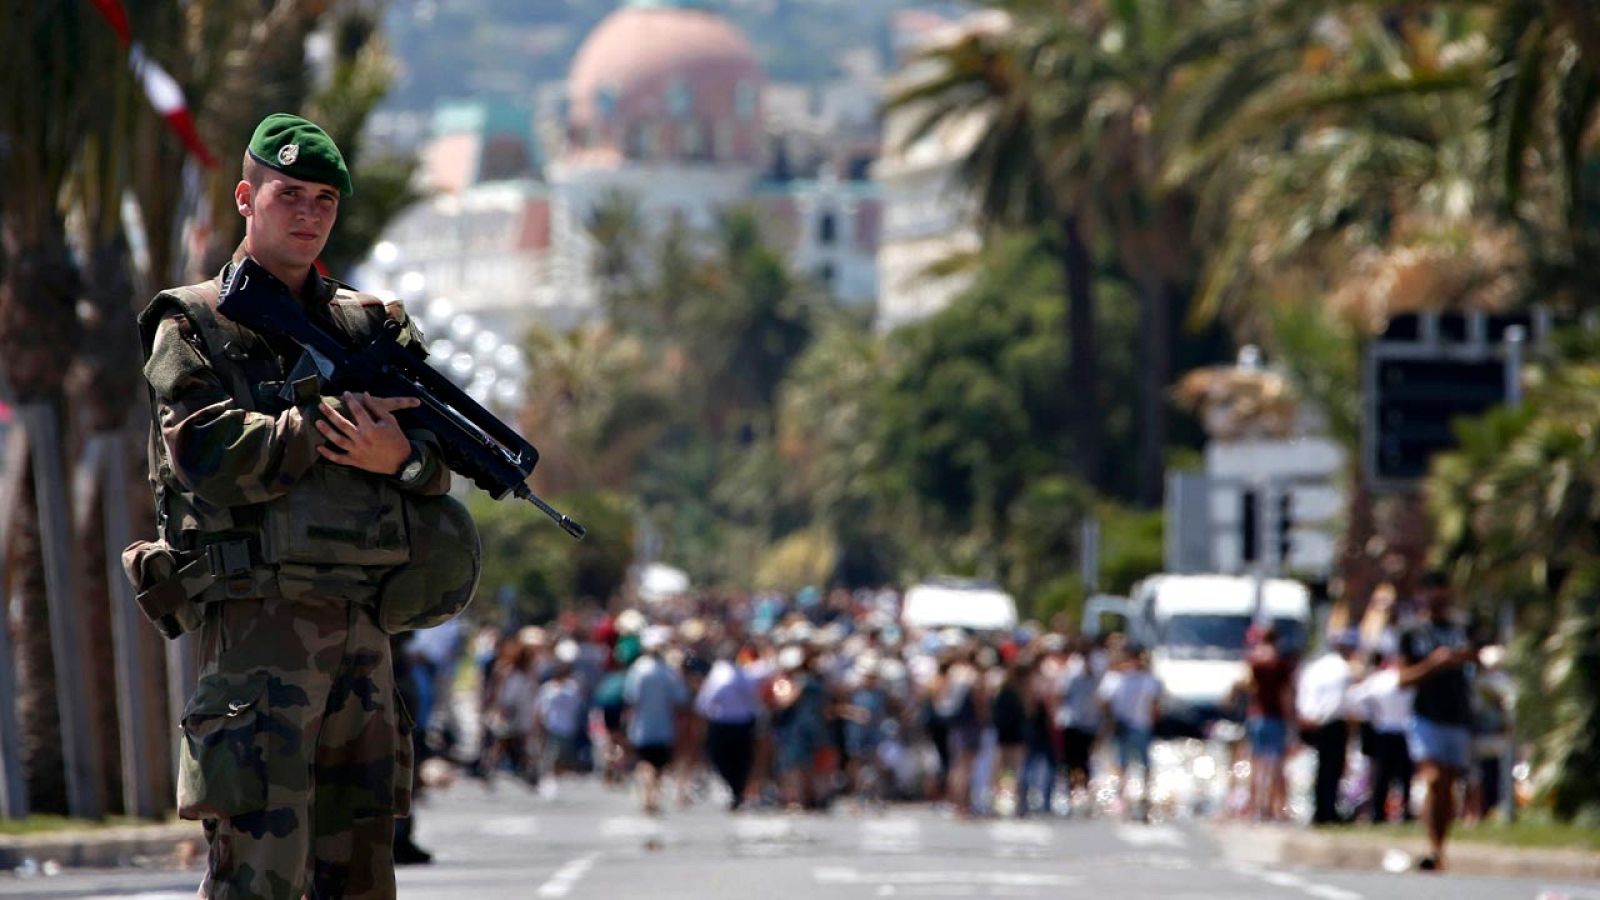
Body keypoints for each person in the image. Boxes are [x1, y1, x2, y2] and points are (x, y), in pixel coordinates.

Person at [138, 114, 453, 899]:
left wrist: (404, 460)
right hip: (257, 629)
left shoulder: (370, 325)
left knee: (362, 875)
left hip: (363, 634)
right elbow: (203, 453)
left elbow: (441, 453)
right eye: (289, 194)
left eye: (323, 199)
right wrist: (319, 424)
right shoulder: (193, 321)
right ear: (247, 199)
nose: (308, 213)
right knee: (259, 876)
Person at [1398, 571, 1477, 871]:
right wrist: (1433, 664)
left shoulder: (1463, 628)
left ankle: (1440, 846)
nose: (1438, 597)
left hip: (1457, 714)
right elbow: (1402, 679)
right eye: (1431, 591)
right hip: (1425, 715)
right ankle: (1432, 845)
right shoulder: (1412, 632)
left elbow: (1480, 659)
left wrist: (1467, 658)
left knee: (1448, 784)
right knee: (1432, 778)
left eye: (1442, 591)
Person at [1296, 628, 1360, 826]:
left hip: (1312, 721)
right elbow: (1339, 701)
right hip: (1332, 722)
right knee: (1332, 769)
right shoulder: (1343, 669)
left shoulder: (1315, 667)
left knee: (1321, 767)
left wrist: (1308, 716)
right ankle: (1327, 811)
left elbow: (1304, 692)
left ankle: (1320, 810)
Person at [624, 626, 689, 814]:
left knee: (645, 761)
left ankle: (648, 795)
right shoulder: (668, 672)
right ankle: (652, 796)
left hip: (643, 724)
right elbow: (680, 697)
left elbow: (631, 696)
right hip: (663, 725)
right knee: (658, 764)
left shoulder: (639, 670)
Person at [1099, 647, 1161, 820]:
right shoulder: (1146, 679)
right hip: (1137, 725)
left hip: (1130, 725)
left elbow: (1103, 701)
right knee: (1136, 765)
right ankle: (1136, 800)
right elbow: (1156, 705)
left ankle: (1130, 800)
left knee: (1126, 765)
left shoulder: (1116, 678)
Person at [1242, 626, 1294, 821]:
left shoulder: (1254, 661)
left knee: (1256, 764)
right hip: (1275, 716)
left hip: (1256, 716)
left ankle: (1255, 806)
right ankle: (1274, 808)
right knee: (1276, 765)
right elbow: (1285, 695)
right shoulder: (1280, 664)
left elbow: (1247, 686)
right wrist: (1291, 720)